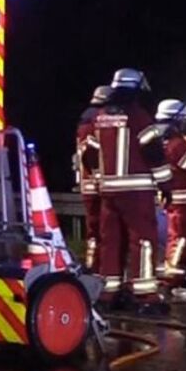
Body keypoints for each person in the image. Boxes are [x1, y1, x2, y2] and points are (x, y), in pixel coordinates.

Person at [91, 69, 168, 309]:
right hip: (136, 191)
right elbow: (153, 151)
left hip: (108, 192)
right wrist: (166, 184)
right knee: (143, 240)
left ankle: (108, 292)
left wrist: (100, 179)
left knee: (110, 241)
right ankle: (145, 294)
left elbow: (90, 154)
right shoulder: (139, 116)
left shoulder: (101, 116)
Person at [146, 99, 186, 288]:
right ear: (176, 120)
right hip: (183, 201)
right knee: (180, 238)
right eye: (183, 121)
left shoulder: (158, 142)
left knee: (177, 237)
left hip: (173, 198)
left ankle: (175, 272)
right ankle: (174, 275)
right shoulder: (176, 144)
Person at [73, 86, 111, 268]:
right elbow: (93, 153)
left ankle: (92, 264)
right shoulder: (95, 122)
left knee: (93, 229)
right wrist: (100, 176)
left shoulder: (84, 121)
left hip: (88, 183)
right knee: (102, 230)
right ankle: (98, 266)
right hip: (97, 185)